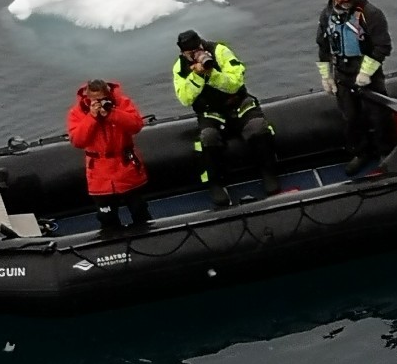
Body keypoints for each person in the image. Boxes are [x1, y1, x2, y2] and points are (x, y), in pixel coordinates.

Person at [172, 30, 281, 207]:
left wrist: (212, 73)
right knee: (207, 137)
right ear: (184, 53)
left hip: (237, 103)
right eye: (191, 53)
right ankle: (215, 183)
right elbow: (185, 98)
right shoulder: (180, 67)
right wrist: (197, 76)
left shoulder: (220, 51)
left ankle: (269, 172)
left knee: (257, 126)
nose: (197, 55)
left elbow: (236, 82)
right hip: (211, 111)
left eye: (198, 49)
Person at [315, 0, 393, 175]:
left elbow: (382, 46)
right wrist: (327, 76)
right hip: (344, 74)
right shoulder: (327, 16)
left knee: (378, 115)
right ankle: (361, 152)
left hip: (369, 73)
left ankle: (387, 152)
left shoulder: (370, 13)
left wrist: (366, 73)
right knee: (350, 118)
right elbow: (323, 47)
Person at [67, 79, 151, 237]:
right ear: (88, 97)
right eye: (95, 100)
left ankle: (150, 241)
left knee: (139, 210)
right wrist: (92, 117)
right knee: (107, 217)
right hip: (99, 173)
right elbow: (78, 141)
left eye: (103, 98)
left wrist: (112, 113)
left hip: (125, 167)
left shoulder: (122, 103)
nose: (99, 103)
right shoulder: (77, 112)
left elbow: (136, 126)